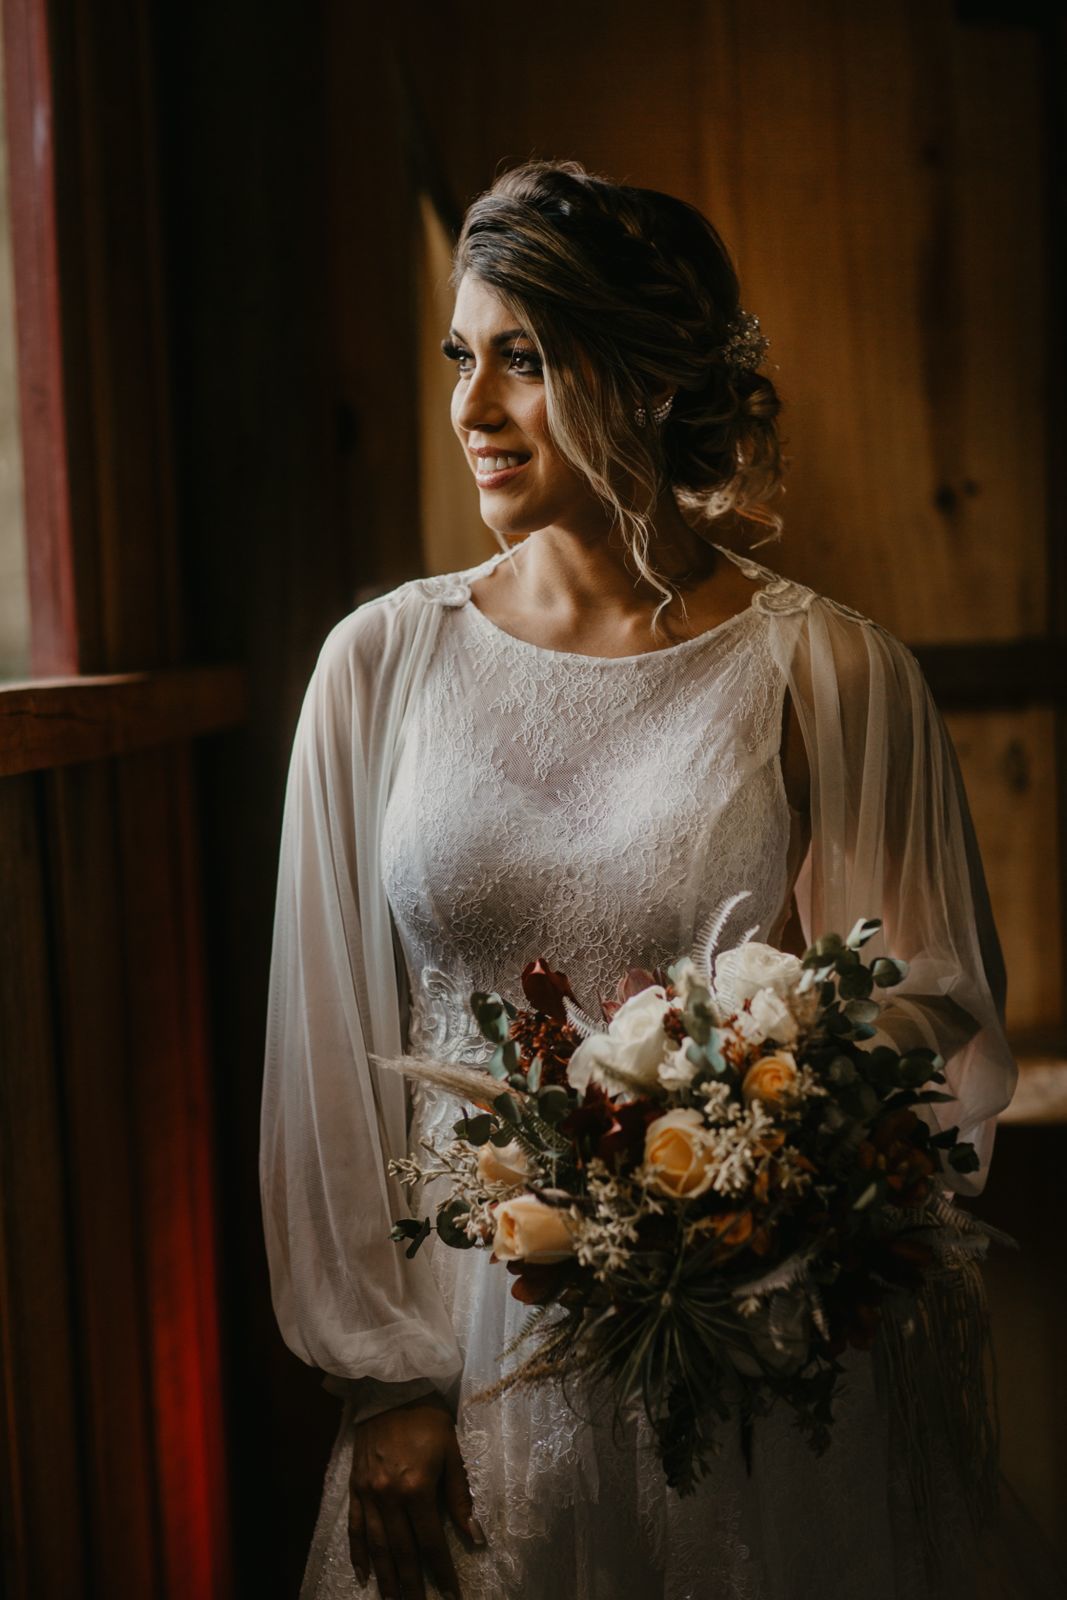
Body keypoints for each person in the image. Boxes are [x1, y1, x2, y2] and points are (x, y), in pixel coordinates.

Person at [261, 161, 1026, 1600]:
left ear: (648, 380)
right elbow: (322, 1051)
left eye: (524, 361)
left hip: (744, 1369)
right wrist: (383, 1384)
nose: (472, 408)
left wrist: (766, 1173)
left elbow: (935, 1033)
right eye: (460, 359)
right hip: (464, 1367)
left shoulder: (834, 674)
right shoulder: (379, 669)